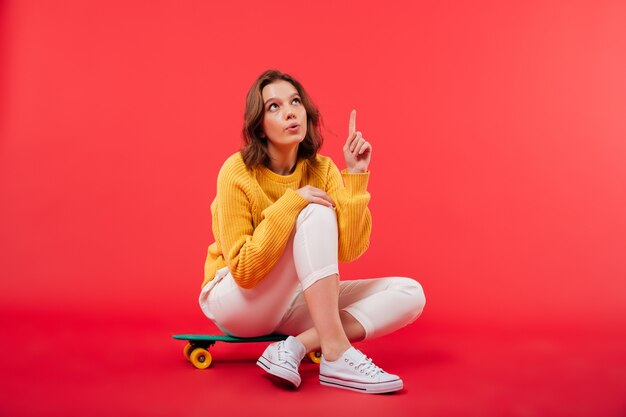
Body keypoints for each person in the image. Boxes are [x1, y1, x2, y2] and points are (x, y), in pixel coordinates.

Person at [199, 69, 426, 394]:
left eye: (295, 101)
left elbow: (348, 250)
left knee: (410, 293)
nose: (290, 111)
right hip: (236, 301)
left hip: (290, 301)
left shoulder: (322, 169)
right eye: (273, 107)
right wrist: (293, 203)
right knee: (316, 210)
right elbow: (244, 270)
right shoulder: (237, 171)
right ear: (259, 127)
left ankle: (293, 347)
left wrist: (355, 176)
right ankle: (336, 353)